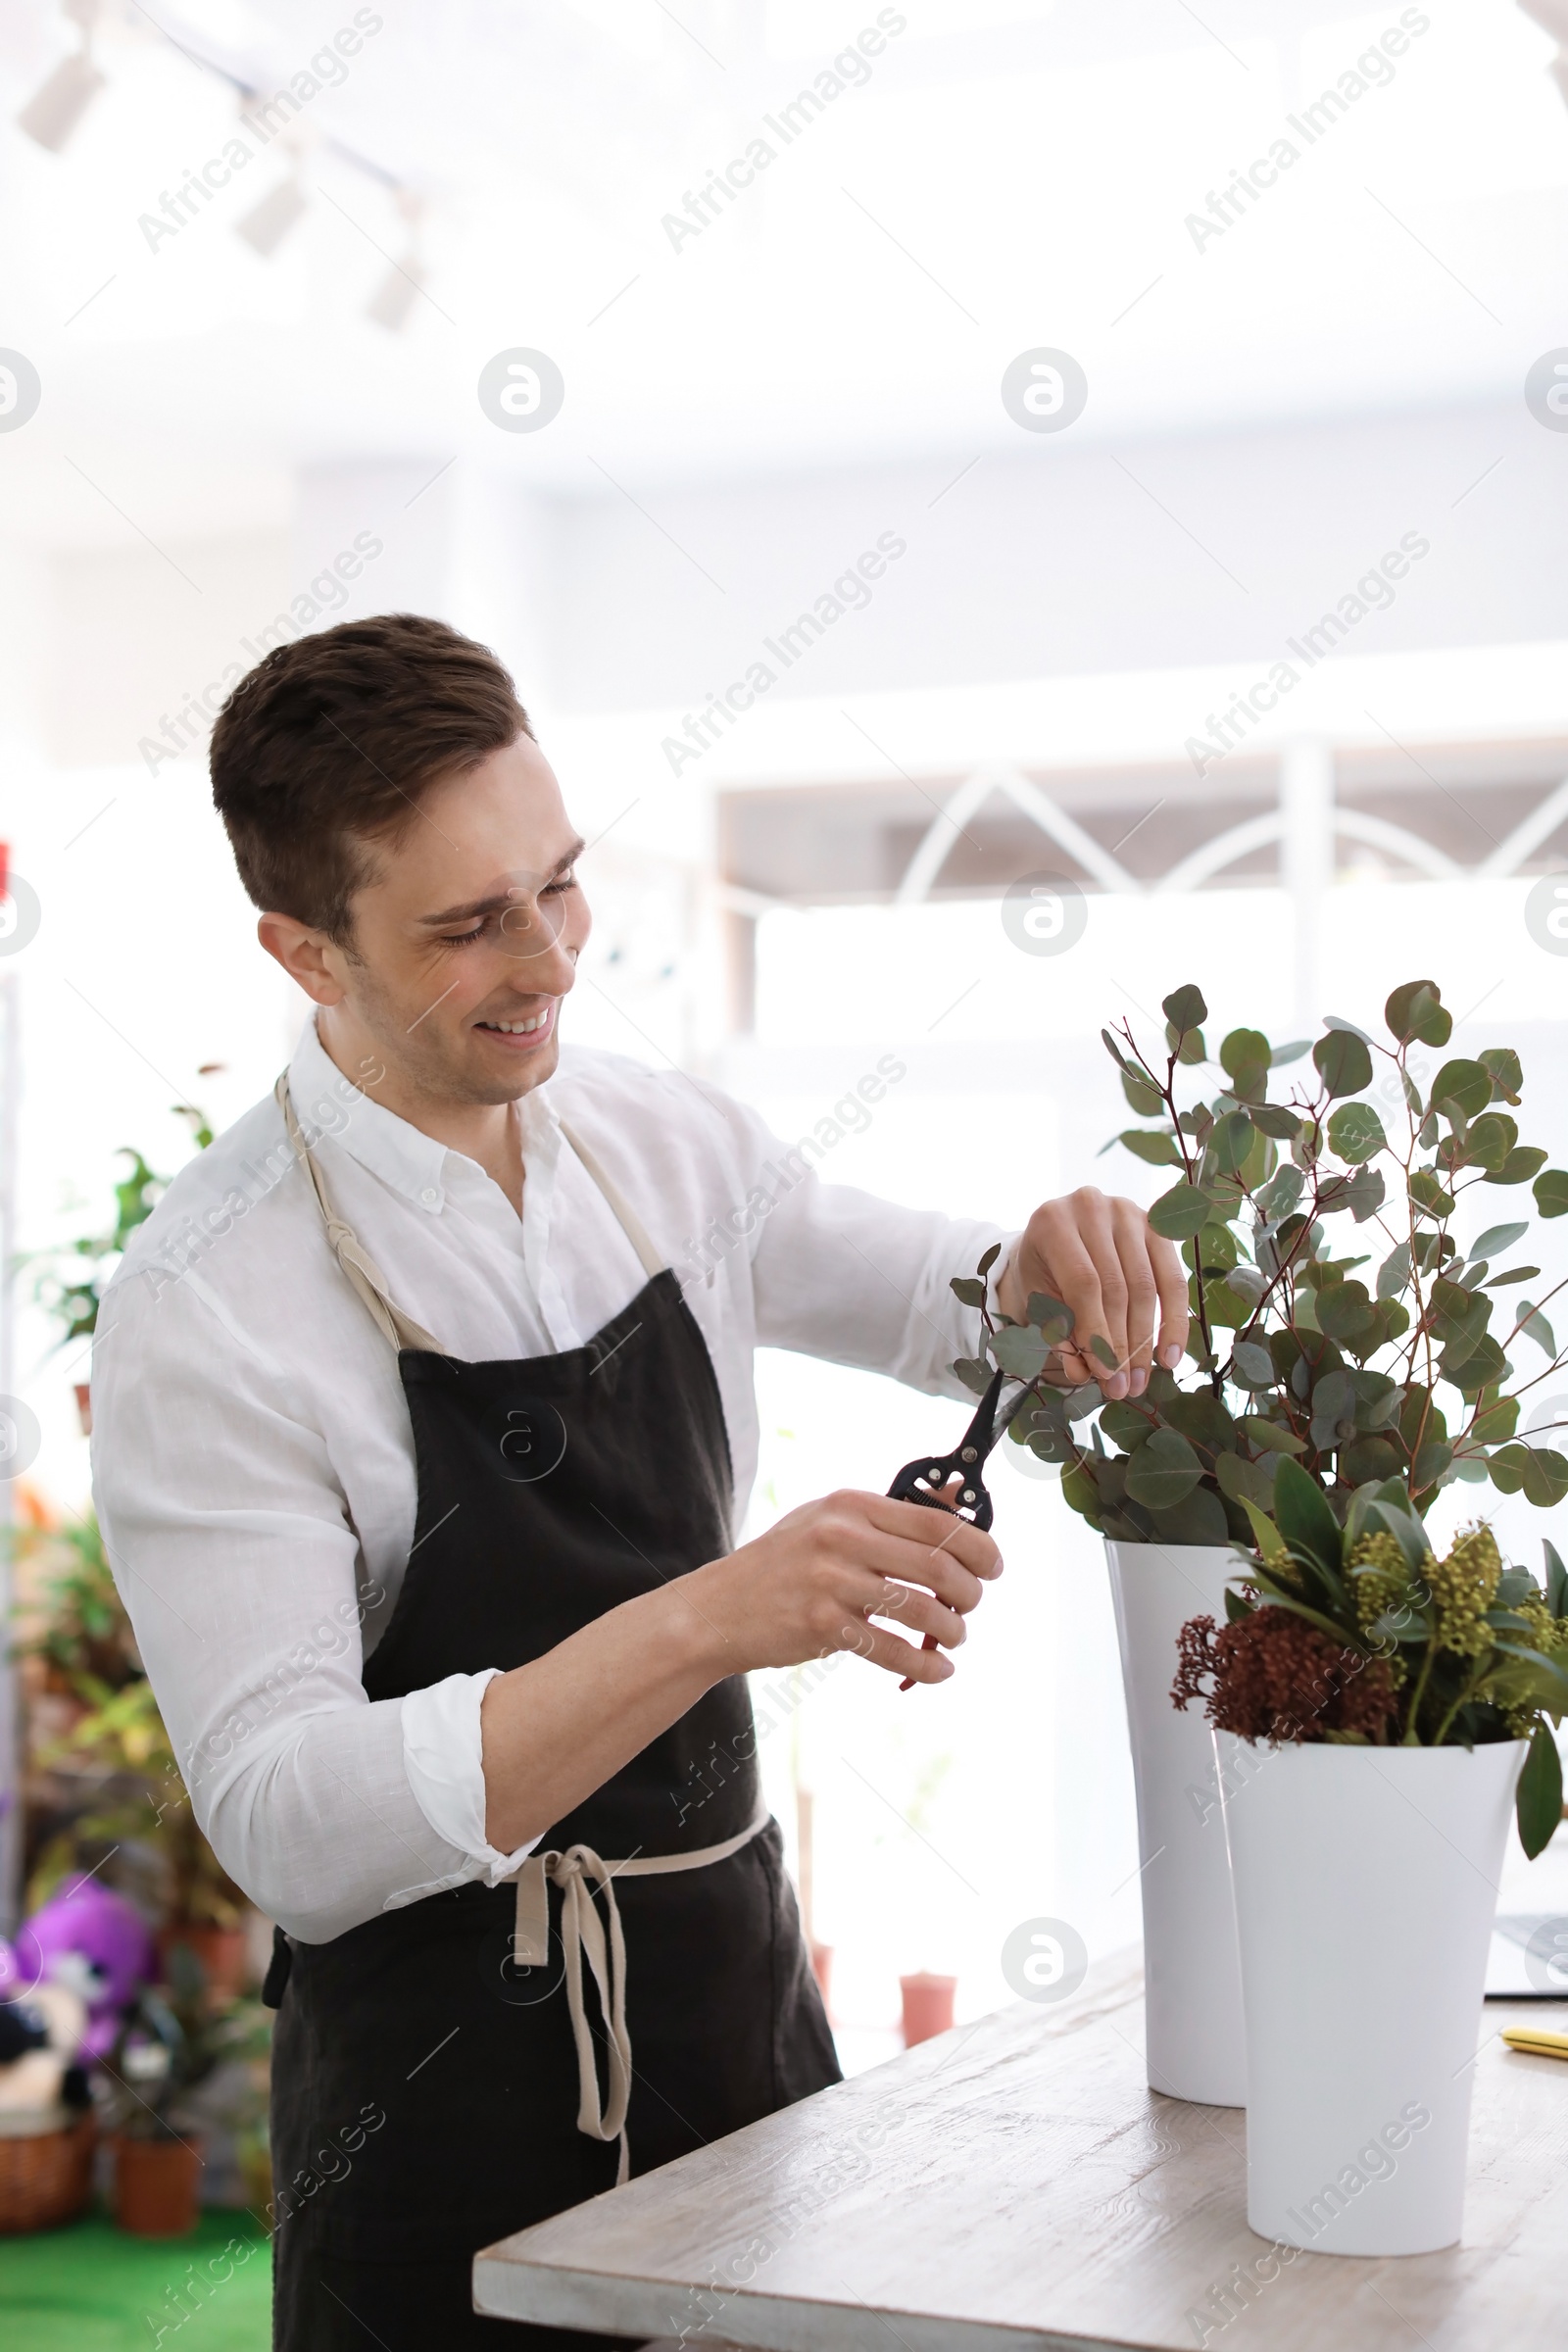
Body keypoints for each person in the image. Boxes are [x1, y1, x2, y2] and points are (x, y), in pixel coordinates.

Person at [91, 614, 1188, 2348]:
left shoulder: (658, 1141)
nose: (551, 959)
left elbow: (937, 1295)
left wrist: (1047, 1259)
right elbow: (288, 1824)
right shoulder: (210, 1301)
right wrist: (702, 1623)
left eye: (562, 884)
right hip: (433, 2106)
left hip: (734, 2025)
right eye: (470, 924)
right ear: (306, 951)